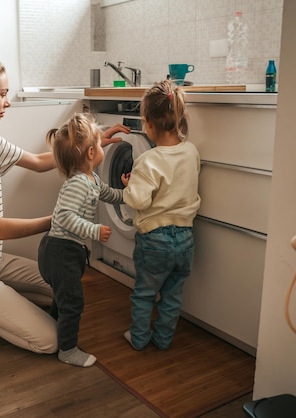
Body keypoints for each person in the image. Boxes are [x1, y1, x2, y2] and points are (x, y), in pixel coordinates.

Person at [0, 42, 126, 354]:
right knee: (50, 341)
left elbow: (37, 163)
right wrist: (59, 221)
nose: (8, 102)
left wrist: (90, 143)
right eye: (3, 94)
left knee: (63, 287)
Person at [38, 113, 129, 367]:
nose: (102, 146)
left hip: (65, 251)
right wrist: (94, 230)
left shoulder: (91, 179)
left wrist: (129, 193)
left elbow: (110, 195)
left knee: (63, 297)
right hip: (60, 252)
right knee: (73, 302)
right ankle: (67, 350)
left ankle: (55, 329)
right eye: (99, 144)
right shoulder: (78, 183)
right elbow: (65, 217)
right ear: (90, 154)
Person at [121, 79, 201, 351]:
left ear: (147, 123)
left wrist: (129, 186)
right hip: (186, 238)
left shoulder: (148, 160)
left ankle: (140, 338)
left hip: (155, 240)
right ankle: (164, 340)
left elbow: (138, 199)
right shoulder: (191, 151)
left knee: (144, 294)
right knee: (172, 295)